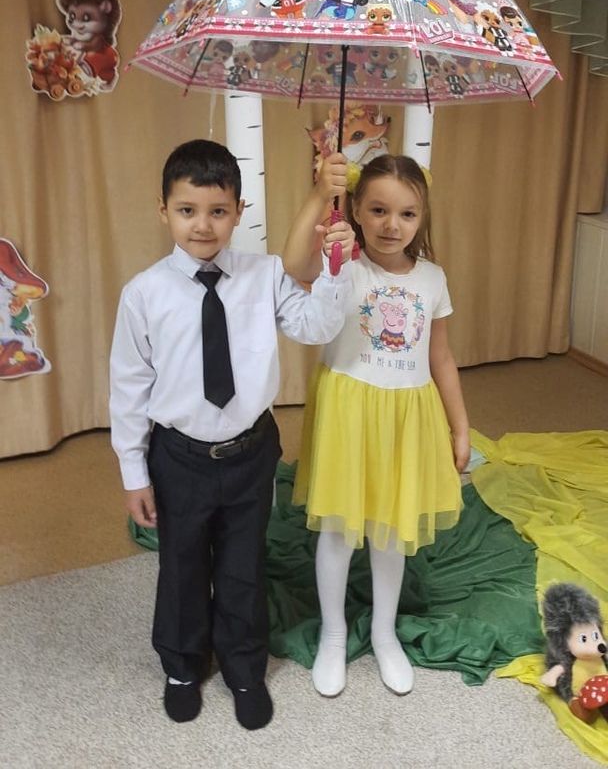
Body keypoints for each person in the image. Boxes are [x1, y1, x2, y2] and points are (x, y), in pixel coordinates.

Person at [109, 139, 355, 731]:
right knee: (182, 565)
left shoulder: (264, 275)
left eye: (218, 211)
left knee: (244, 565)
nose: (203, 225)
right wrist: (133, 473)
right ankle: (182, 665)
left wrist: (335, 268)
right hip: (179, 456)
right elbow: (129, 386)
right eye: (187, 210)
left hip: (250, 452)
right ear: (163, 210)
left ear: (239, 211)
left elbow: (317, 325)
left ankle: (244, 667)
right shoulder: (143, 293)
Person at [282, 152, 470, 698]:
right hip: (349, 413)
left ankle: (385, 634)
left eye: (407, 214)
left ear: (422, 218)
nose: (392, 225)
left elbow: (441, 359)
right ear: (357, 211)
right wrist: (320, 194)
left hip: (408, 416)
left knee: (391, 531)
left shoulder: (433, 278)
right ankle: (334, 634)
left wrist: (460, 426)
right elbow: (293, 266)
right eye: (379, 210)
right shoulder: (343, 262)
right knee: (340, 529)